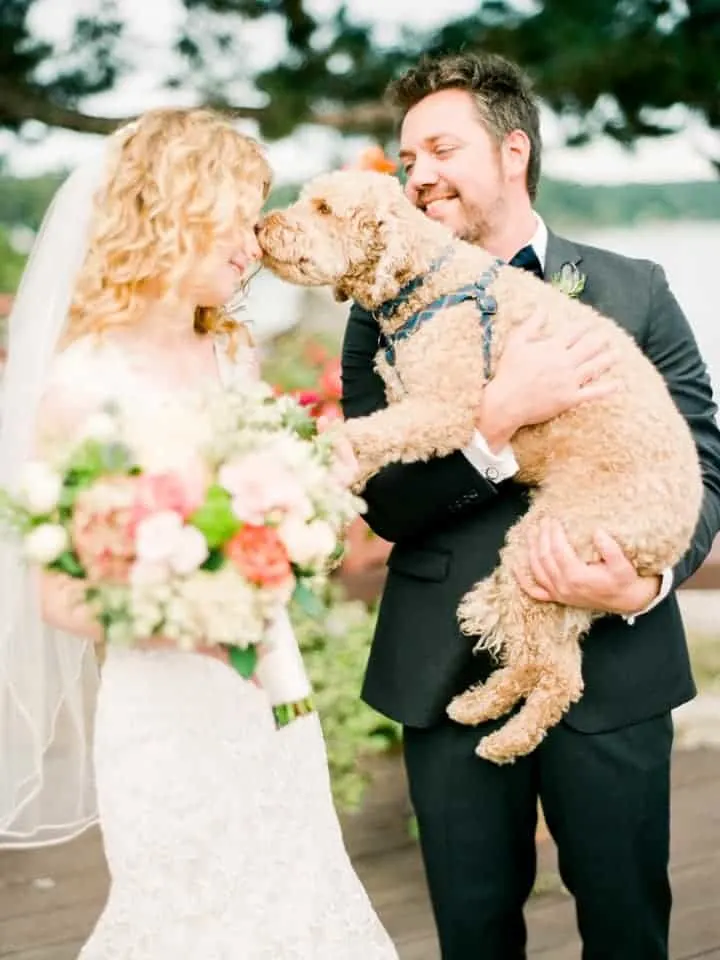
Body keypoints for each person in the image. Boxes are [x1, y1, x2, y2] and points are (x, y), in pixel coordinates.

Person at [341, 52, 720, 960]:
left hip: (617, 663)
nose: (419, 174)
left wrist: (649, 580)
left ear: (514, 151)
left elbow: (702, 461)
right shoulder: (380, 310)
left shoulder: (636, 286)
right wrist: (498, 421)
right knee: (473, 935)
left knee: (631, 927)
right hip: (446, 667)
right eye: (407, 159)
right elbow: (385, 502)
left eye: (440, 148)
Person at [0, 107, 398, 959]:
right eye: (237, 213)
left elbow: (270, 516)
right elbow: (61, 594)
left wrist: (305, 522)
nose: (254, 241)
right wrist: (195, 616)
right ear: (172, 205)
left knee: (299, 900)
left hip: (271, 704)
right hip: (164, 715)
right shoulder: (81, 383)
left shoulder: (233, 357)